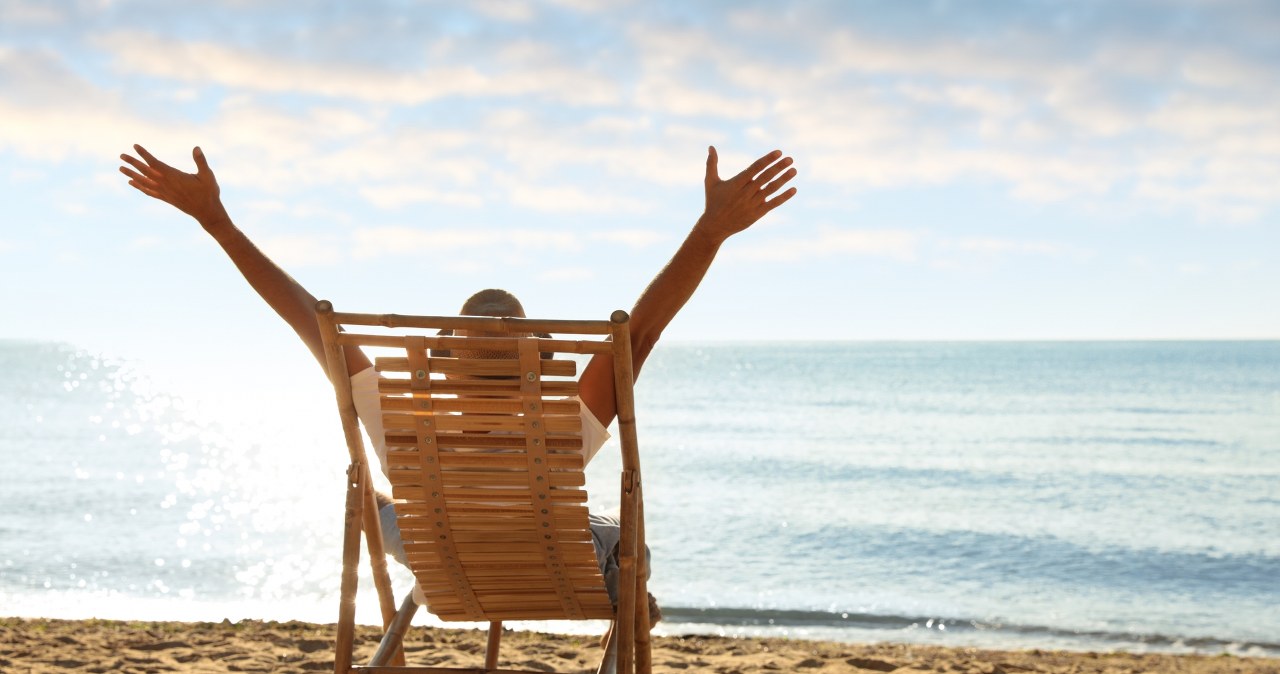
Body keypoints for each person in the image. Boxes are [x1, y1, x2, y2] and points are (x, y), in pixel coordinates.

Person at [118, 142, 798, 618]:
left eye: (505, 323)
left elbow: (307, 320)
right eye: (493, 322)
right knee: (619, 538)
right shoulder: (563, 425)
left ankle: (410, 511)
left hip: (443, 566)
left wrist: (218, 223)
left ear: (442, 359)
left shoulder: (400, 414)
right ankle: (626, 580)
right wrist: (709, 232)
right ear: (541, 361)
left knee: (376, 506)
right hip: (552, 563)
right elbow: (640, 334)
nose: (500, 327)